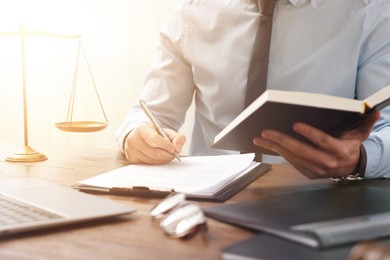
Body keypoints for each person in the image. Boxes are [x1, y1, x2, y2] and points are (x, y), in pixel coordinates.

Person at [115, 0, 390, 179]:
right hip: (204, 207)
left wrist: (360, 159)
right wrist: (135, 136)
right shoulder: (192, 12)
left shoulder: (370, 12)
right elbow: (150, 113)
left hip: (321, 205)